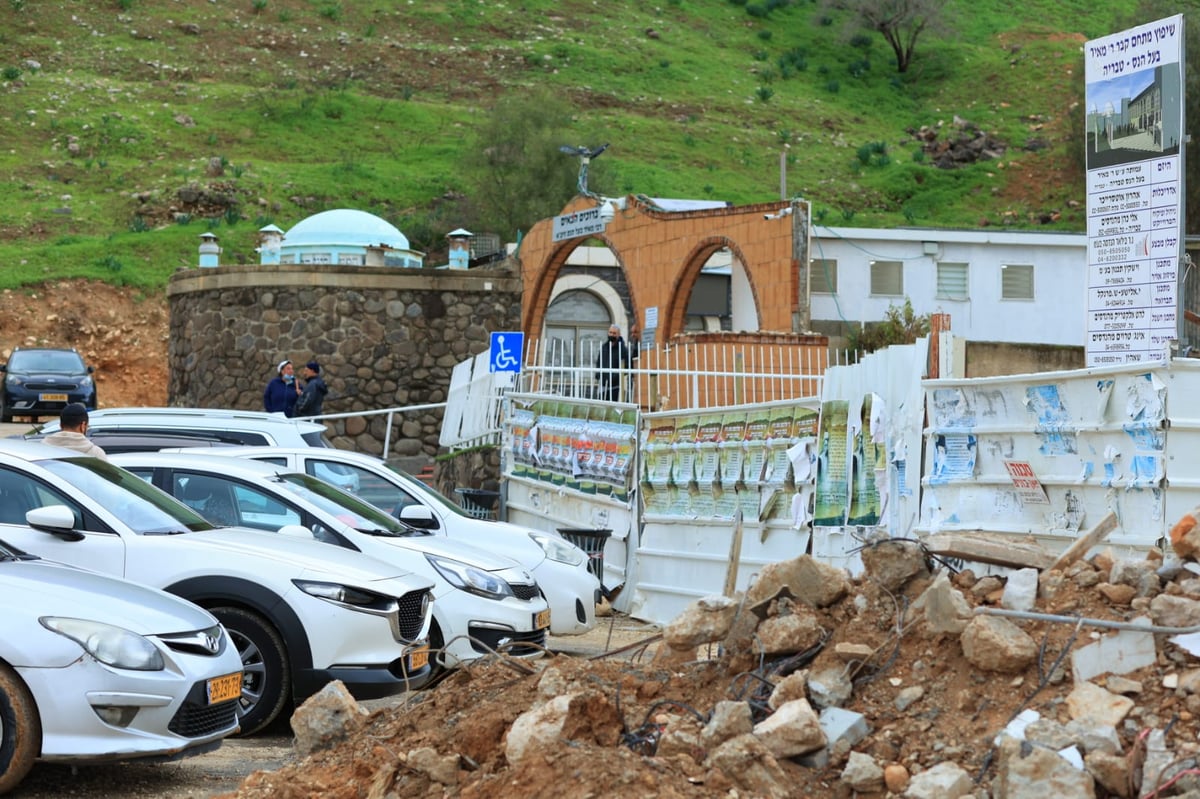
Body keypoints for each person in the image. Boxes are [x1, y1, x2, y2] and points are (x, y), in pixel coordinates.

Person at [43, 402, 108, 460]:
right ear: (83, 426)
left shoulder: (42, 449)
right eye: (87, 426)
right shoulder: (96, 454)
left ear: (60, 425)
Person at [595, 324, 638, 402]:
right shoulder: (604, 347)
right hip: (603, 383)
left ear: (618, 335)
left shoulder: (623, 349)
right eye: (610, 332)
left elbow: (628, 365)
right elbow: (599, 361)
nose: (612, 334)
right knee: (601, 405)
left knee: (613, 406)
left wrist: (617, 375)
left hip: (616, 385)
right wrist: (598, 374)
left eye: (614, 333)